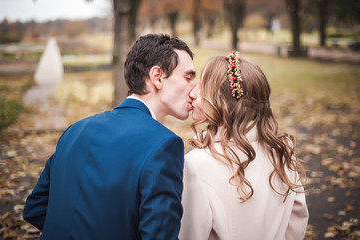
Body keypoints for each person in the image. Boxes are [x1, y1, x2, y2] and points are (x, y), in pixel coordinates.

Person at [23, 34, 196, 240]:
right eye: (188, 78)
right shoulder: (164, 145)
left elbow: (36, 208)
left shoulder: (75, 130)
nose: (194, 89)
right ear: (157, 76)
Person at [179, 52, 308, 240]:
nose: (192, 93)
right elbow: (296, 224)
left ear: (222, 101)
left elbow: (190, 234)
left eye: (202, 86)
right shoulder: (282, 153)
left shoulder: (196, 165)